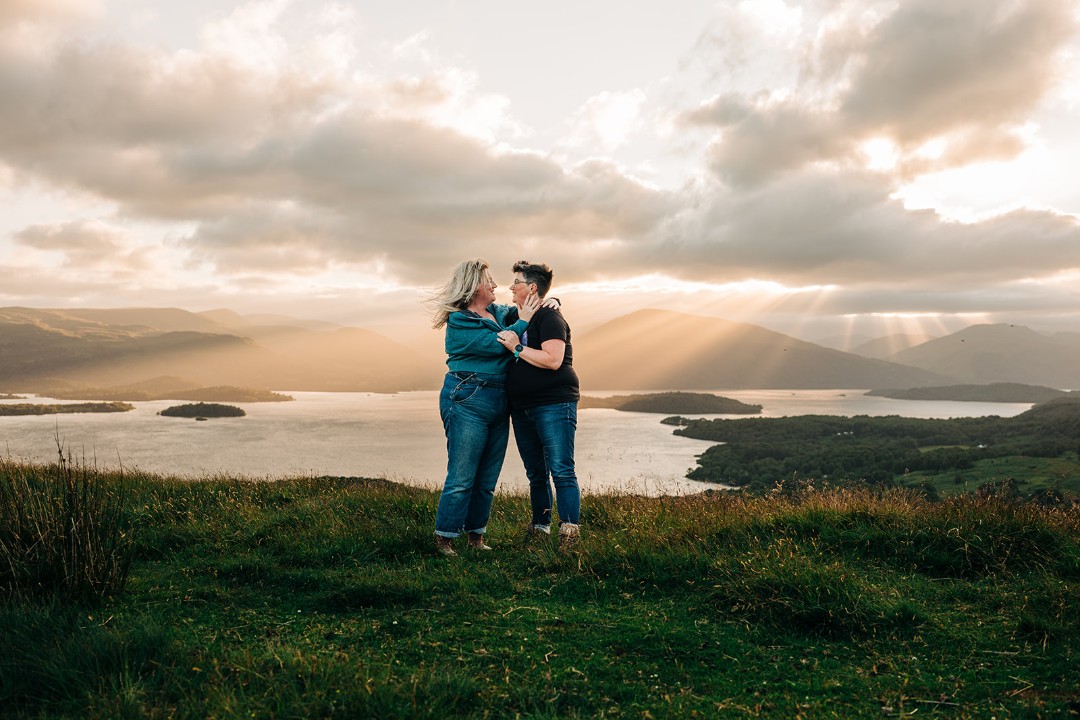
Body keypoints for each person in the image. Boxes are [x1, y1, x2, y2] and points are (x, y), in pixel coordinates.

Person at [429, 258, 555, 557]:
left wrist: (553, 301)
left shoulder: (499, 312)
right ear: (474, 287)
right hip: (466, 398)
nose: (496, 286)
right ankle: (445, 538)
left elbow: (529, 308)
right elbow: (499, 342)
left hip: (499, 400)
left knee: (487, 477)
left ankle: (476, 536)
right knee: (462, 475)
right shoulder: (459, 320)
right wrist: (522, 322)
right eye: (489, 281)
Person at [495, 260, 581, 547]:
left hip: (554, 404)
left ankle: (569, 531)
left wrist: (516, 348)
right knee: (536, 472)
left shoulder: (549, 318)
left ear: (531, 288)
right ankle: (540, 527)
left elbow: (553, 360)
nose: (510, 288)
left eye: (516, 283)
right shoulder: (516, 316)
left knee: (561, 469)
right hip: (523, 408)